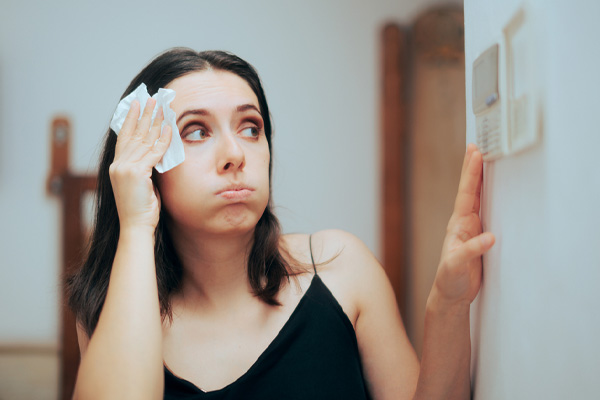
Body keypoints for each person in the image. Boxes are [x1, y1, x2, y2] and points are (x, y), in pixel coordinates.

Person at [67, 48, 495, 400]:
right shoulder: (114, 309)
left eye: (251, 128)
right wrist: (137, 222)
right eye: (196, 131)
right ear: (149, 161)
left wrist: (448, 306)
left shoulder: (342, 268)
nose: (235, 153)